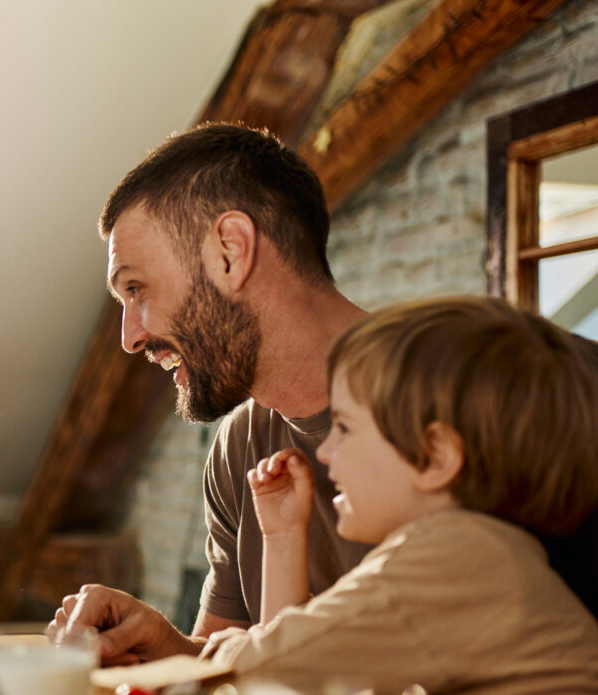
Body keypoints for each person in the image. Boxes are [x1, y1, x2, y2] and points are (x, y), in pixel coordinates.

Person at [51, 122, 597, 662]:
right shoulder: (243, 447)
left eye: (137, 288)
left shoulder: (494, 398)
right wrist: (163, 646)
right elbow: (252, 667)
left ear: (231, 251)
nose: (130, 338)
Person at [221, 298, 597, 695]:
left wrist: (184, 664)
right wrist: (282, 540)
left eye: (344, 426)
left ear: (435, 456)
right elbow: (295, 683)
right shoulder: (484, 550)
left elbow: (265, 669)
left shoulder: (458, 560)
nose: (325, 452)